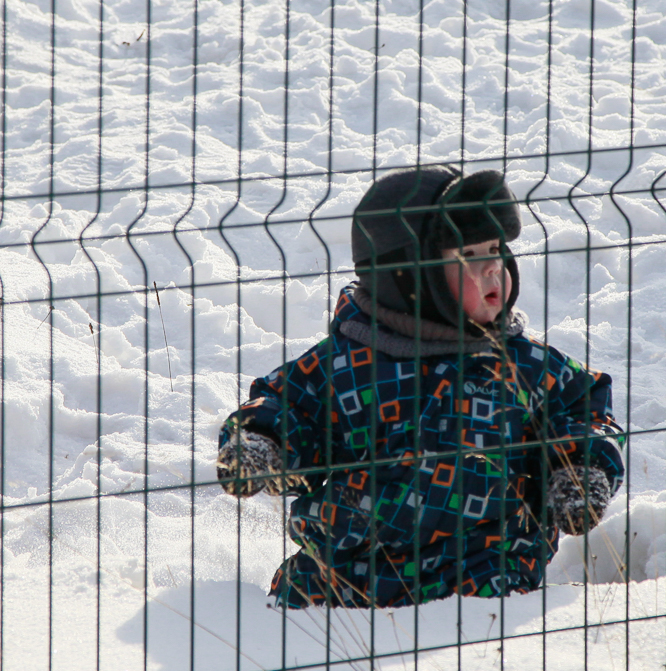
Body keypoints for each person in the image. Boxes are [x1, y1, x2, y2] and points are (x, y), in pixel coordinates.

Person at [215, 166, 626, 608]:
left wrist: (577, 470)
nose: (494, 266)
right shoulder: (346, 365)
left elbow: (582, 408)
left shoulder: (525, 367)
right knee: (293, 606)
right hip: (348, 576)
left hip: (484, 580)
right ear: (406, 273)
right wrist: (263, 446)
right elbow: (288, 407)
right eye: (469, 255)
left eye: (495, 248)